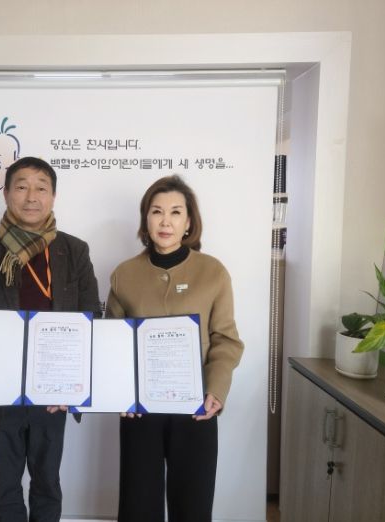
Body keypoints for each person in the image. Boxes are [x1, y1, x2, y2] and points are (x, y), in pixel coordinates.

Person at [0, 156, 101, 522]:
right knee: (5, 486)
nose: (32, 197)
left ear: (53, 196)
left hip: (53, 392)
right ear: (6, 194)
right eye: (22, 186)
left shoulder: (74, 250)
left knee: (48, 483)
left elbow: (91, 320)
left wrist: (78, 385)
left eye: (41, 188)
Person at [106, 175, 244, 522]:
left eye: (175, 212)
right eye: (156, 211)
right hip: (140, 411)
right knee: (138, 506)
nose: (165, 221)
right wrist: (119, 393)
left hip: (196, 408)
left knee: (193, 506)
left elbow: (226, 339)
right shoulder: (124, 274)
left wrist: (216, 390)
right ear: (145, 220)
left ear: (189, 223)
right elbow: (111, 343)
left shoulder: (213, 272)